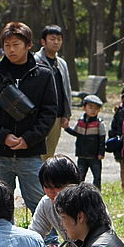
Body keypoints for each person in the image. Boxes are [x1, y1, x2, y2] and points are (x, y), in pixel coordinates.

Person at [0, 21, 59, 214]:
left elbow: (49, 113)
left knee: (40, 205)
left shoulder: (44, 75)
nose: (11, 50)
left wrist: (28, 139)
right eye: (7, 45)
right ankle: (2, 242)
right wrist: (4, 136)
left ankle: (48, 243)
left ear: (29, 45)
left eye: (16, 45)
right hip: (0, 153)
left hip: (30, 154)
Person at [28, 155, 82, 247]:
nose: (52, 192)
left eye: (57, 187)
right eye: (47, 187)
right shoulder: (47, 203)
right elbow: (32, 237)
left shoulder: (86, 202)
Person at [34, 25, 74, 159]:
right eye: (52, 39)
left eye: (59, 39)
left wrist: (66, 114)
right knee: (36, 151)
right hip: (39, 115)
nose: (56, 42)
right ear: (43, 42)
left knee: (49, 153)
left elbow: (66, 89)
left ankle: (45, 179)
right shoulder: (34, 61)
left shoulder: (61, 63)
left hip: (56, 116)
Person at [64, 94, 106, 189]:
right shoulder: (80, 122)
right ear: (84, 108)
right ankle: (79, 193)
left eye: (96, 108)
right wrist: (66, 128)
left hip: (94, 156)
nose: (93, 110)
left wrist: (101, 152)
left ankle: (97, 193)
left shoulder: (99, 123)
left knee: (97, 176)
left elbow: (102, 140)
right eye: (90, 107)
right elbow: (76, 133)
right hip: (82, 154)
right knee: (80, 176)